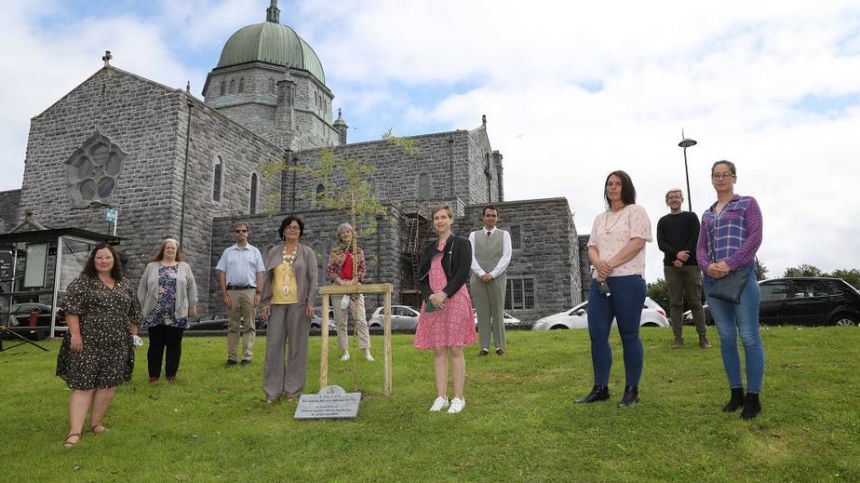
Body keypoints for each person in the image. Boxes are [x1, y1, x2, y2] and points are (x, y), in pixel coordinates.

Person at [576, 170, 652, 407]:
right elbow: (591, 247)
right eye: (609, 184)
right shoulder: (600, 218)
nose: (613, 187)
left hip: (628, 280)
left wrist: (610, 264)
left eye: (618, 184)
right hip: (601, 282)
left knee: (629, 334)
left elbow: (637, 242)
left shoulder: (636, 212)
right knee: (597, 334)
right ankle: (600, 388)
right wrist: (599, 264)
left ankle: (632, 389)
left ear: (626, 187)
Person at [697, 160, 764, 420]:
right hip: (713, 281)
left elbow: (754, 238)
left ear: (734, 177)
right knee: (726, 336)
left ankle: (753, 397)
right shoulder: (707, 214)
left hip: (741, 278)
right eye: (717, 175)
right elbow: (701, 247)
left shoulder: (747, 203)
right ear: (712, 180)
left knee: (748, 336)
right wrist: (707, 266)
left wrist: (729, 263)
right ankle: (736, 393)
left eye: (726, 174)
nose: (721, 178)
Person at [56, 244, 141, 447]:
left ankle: (96, 424)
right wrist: (75, 334)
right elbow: (70, 309)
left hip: (118, 343)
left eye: (107, 258)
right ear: (93, 261)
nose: (103, 261)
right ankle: (74, 431)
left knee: (107, 384)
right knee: (83, 385)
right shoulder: (83, 283)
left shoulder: (125, 284)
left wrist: (133, 336)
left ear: (114, 261)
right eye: (99, 258)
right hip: (87, 342)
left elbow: (135, 313)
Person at [413, 206, 477, 413]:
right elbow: (422, 278)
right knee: (439, 348)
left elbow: (462, 272)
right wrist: (430, 295)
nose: (440, 221)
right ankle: (441, 396)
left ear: (451, 220)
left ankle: (459, 398)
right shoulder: (429, 248)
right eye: (436, 218)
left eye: (443, 217)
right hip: (433, 300)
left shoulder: (462, 244)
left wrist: (444, 293)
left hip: (455, 298)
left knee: (455, 347)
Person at [259, 215, 318, 402]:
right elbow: (269, 278)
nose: (293, 230)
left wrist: (310, 302)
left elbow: (313, 279)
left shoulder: (307, 252)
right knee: (273, 347)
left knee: (297, 348)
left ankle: (293, 391)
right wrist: (265, 302)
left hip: (299, 306)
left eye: (296, 228)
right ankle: (272, 391)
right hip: (276, 304)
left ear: (300, 232)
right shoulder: (274, 252)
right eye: (289, 227)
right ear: (283, 231)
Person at [138, 238, 198, 383]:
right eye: (168, 248)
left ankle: (171, 375)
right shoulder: (151, 266)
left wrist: (192, 305)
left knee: (174, 345)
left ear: (177, 251)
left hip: (177, 312)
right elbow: (142, 288)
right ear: (163, 250)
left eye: (173, 248)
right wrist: (141, 307)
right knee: (155, 345)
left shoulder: (184, 266)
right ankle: (153, 376)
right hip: (155, 312)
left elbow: (192, 287)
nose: (171, 250)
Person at [656, 189, 710, 349]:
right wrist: (676, 256)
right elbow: (661, 243)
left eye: (677, 197)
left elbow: (696, 237)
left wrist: (684, 255)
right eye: (671, 197)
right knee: (675, 303)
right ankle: (678, 338)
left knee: (695, 302)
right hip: (671, 266)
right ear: (667, 201)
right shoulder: (662, 221)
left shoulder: (691, 217)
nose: (674, 199)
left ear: (682, 199)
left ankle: (703, 338)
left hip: (692, 265)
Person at [216, 221, 266, 367]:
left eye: (243, 231)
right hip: (232, 292)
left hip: (250, 291)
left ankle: (247, 357)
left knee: (250, 325)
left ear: (248, 233)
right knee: (233, 325)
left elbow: (260, 274)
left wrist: (258, 294)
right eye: (238, 231)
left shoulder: (255, 252)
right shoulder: (228, 252)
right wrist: (224, 294)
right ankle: (232, 357)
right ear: (234, 234)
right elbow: (222, 274)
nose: (241, 233)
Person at [469, 205, 512, 356]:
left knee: (498, 312)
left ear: (497, 217)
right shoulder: (474, 235)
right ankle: (484, 347)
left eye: (493, 215)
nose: (491, 218)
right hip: (478, 279)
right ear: (483, 217)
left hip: (497, 279)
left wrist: (493, 274)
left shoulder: (504, 235)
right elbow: (471, 256)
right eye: (488, 215)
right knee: (482, 312)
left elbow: (506, 257)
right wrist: (481, 273)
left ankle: (500, 346)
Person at [326, 223, 373, 362]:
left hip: (355, 288)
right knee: (341, 322)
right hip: (338, 288)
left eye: (348, 232)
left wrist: (353, 281)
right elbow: (330, 270)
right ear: (340, 235)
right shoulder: (335, 252)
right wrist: (341, 282)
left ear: (352, 233)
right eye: (343, 232)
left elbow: (363, 268)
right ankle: (345, 351)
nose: (346, 234)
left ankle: (366, 351)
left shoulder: (358, 251)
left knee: (361, 320)